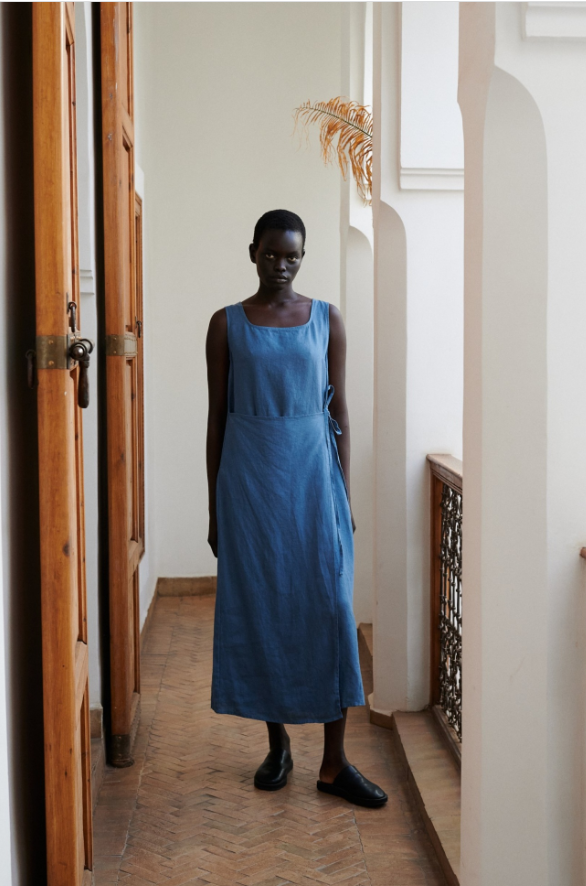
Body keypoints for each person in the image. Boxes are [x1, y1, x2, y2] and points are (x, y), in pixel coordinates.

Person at [205, 209, 387, 808]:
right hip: (250, 488)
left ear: (303, 257)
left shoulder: (327, 320)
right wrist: (215, 508)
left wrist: (344, 495)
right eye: (271, 254)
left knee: (332, 608)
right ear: (252, 252)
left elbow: (340, 414)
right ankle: (277, 744)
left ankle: (334, 763)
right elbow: (217, 419)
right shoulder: (226, 324)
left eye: (292, 256)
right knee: (263, 608)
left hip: (314, 482)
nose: (281, 266)